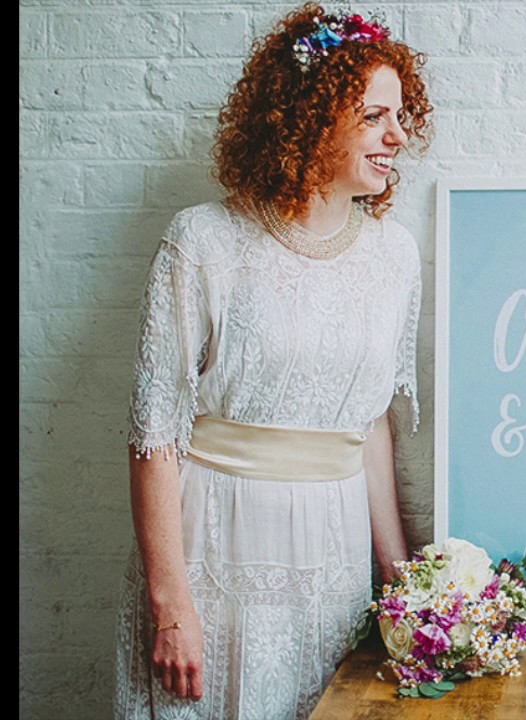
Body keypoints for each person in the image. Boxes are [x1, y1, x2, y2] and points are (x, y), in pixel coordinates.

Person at [115, 5, 433, 718]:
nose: (399, 136)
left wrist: (395, 574)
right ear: (312, 117)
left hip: (332, 549)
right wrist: (171, 608)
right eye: (377, 115)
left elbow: (369, 422)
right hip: (216, 543)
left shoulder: (394, 256)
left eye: (403, 114)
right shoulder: (203, 241)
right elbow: (154, 435)